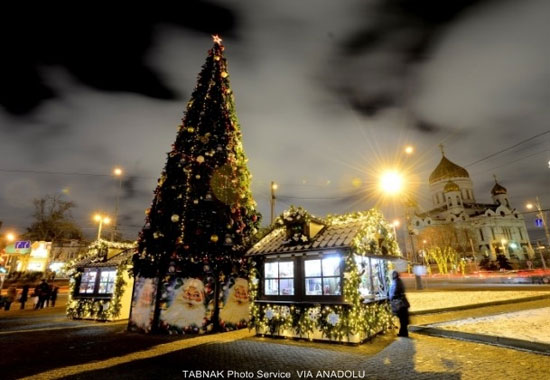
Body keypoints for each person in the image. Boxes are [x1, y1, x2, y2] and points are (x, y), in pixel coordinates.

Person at [389, 271, 410, 338]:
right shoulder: (399, 281)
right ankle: (403, 332)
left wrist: (391, 297)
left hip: (400, 304)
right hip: (403, 303)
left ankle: (403, 333)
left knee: (402, 319)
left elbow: (393, 292)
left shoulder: (395, 282)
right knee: (403, 319)